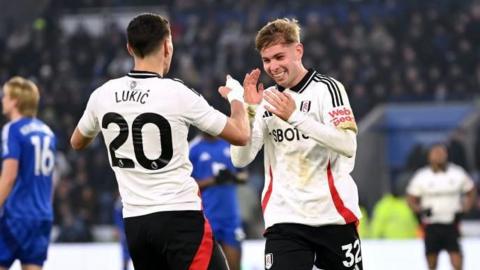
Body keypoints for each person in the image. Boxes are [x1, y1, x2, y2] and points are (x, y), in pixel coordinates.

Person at [70, 13, 250, 270]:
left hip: (136, 224)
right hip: (180, 219)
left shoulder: (103, 94)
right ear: (167, 46)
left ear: (129, 48)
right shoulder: (177, 93)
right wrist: (237, 98)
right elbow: (241, 134)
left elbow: (77, 141)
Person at [231, 18, 363, 270]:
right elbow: (240, 159)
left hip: (333, 216)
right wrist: (248, 109)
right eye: (267, 60)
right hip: (285, 219)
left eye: (279, 57)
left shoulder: (328, 90)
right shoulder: (266, 100)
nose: (273, 67)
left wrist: (295, 117)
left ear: (298, 51)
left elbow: (348, 144)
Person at [0, 77, 57, 270]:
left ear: (15, 101)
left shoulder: (12, 130)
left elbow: (8, 177)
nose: (2, 100)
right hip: (43, 217)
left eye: (5, 96)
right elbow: (50, 179)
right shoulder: (48, 132)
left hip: (16, 216)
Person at [406, 144, 476, 270]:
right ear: (429, 157)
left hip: (451, 223)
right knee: (432, 262)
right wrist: (419, 210)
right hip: (432, 225)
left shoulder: (457, 173)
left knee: (457, 260)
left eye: (441, 153)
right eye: (435, 153)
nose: (438, 156)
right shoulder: (422, 176)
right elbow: (411, 198)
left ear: (446, 155)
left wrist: (466, 207)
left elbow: (471, 190)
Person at [189, 132, 246, 270]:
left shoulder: (229, 144)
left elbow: (244, 175)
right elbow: (185, 184)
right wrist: (213, 180)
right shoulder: (192, 149)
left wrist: (232, 177)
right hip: (206, 218)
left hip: (230, 218)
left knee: (234, 266)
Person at [113, 196, 131, 270]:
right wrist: (120, 229)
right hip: (125, 229)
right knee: (125, 252)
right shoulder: (120, 200)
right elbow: (117, 215)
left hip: (133, 226)